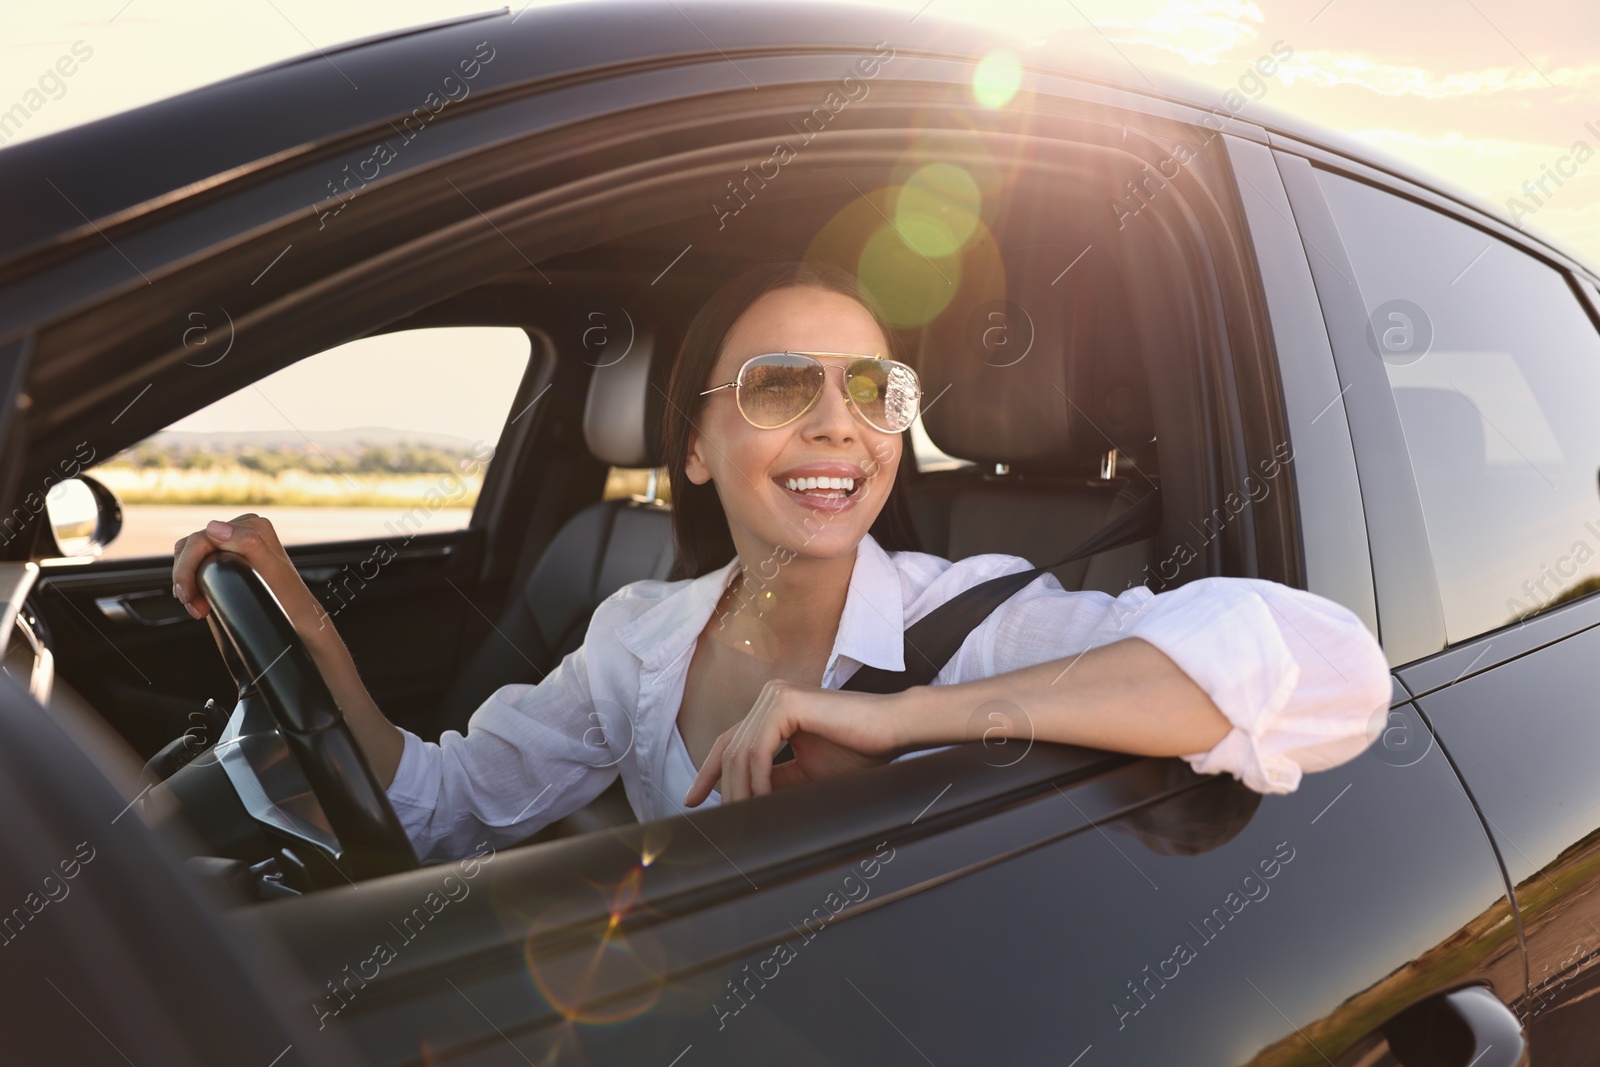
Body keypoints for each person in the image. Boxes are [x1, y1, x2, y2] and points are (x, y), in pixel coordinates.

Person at [170, 260, 1390, 865]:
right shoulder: (639, 633)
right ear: (693, 448)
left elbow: (1329, 664)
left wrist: (909, 716)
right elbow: (436, 810)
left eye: (872, 388)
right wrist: (301, 624)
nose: (837, 424)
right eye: (778, 387)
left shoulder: (961, 618)